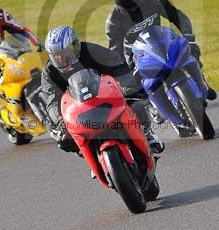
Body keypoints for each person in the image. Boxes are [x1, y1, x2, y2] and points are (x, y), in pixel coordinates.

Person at [40, 25, 165, 155]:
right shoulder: (49, 72)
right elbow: (51, 100)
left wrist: (128, 88)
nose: (62, 59)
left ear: (75, 45)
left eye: (66, 53)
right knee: (63, 140)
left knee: (135, 103)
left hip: (104, 95)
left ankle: (147, 133)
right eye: (57, 56)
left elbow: (117, 66)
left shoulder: (91, 51)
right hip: (78, 108)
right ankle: (89, 154)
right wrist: (60, 121)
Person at [105, 0, 217, 100]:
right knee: (132, 85)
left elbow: (177, 16)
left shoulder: (155, 0)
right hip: (135, 53)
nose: (131, 3)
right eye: (125, 1)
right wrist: (124, 69)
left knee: (190, 48)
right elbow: (115, 47)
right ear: (118, 1)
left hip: (160, 40)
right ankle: (150, 106)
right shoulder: (113, 19)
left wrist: (188, 36)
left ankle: (201, 81)